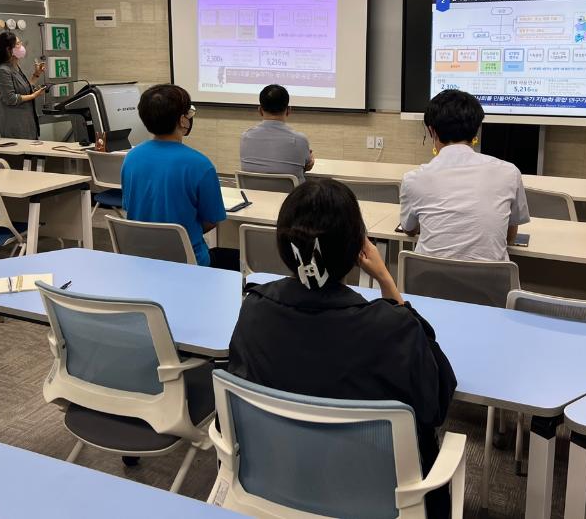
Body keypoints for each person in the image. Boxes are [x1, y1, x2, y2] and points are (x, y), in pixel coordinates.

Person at [228, 178, 457, 518]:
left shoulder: (254, 310)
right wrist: (387, 282)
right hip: (379, 498)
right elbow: (436, 403)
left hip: (279, 484)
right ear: (357, 248)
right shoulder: (392, 328)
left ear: (284, 245)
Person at [400, 89, 529, 261]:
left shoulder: (413, 179)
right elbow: (510, 237)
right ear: (476, 130)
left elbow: (409, 230)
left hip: (428, 277)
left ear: (432, 131)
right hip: (491, 278)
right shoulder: (509, 172)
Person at [121, 84, 237, 269]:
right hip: (188, 262)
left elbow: (130, 207)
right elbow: (211, 220)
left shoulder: (131, 158)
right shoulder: (200, 164)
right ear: (183, 120)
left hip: (139, 260)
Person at [239, 84, 314, 183]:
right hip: (291, 193)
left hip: (252, 192)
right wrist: (311, 160)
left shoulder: (245, 137)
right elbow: (307, 166)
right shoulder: (300, 140)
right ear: (288, 110)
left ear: (260, 110)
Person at [0, 31, 45, 139]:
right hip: (16, 126)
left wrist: (36, 75)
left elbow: (25, 89)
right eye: (18, 44)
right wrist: (34, 96)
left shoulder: (15, 66)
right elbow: (10, 98)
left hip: (28, 123)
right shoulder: (3, 70)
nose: (22, 46)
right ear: (8, 49)